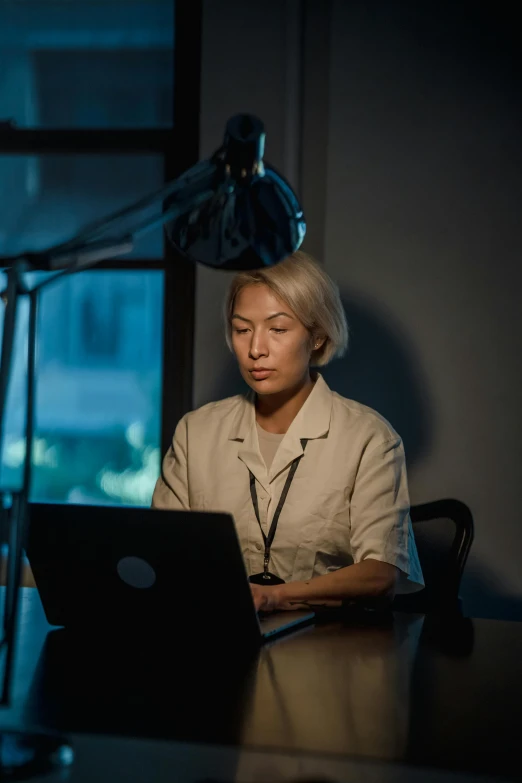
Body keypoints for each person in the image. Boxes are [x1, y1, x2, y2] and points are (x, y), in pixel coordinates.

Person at [152, 251, 424, 612]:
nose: (255, 350)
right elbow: (160, 550)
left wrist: (275, 595)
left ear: (316, 337)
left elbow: (381, 574)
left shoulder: (369, 438)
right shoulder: (195, 432)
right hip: (220, 636)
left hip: (331, 647)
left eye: (278, 329)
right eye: (242, 329)